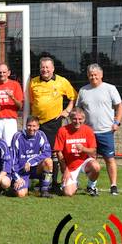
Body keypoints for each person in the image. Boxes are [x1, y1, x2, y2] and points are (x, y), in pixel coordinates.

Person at [29, 57, 76, 192]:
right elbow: (32, 102)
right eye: (42, 67)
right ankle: (42, 182)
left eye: (47, 67)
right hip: (37, 123)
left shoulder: (62, 81)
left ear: (53, 68)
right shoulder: (33, 82)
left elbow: (73, 96)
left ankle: (53, 183)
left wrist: (67, 110)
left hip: (53, 123)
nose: (44, 70)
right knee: (38, 153)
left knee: (53, 153)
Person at [76, 64, 122, 195]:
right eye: (91, 74)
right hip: (89, 132)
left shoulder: (110, 88)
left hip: (106, 131)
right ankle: (91, 186)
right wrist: (79, 126)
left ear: (101, 75)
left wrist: (117, 122)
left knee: (109, 159)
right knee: (91, 160)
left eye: (96, 74)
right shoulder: (83, 91)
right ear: (87, 76)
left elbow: (119, 107)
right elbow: (78, 110)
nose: (93, 77)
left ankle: (113, 185)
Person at [53, 108, 100, 197]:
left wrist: (83, 149)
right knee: (68, 193)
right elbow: (59, 152)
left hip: (84, 162)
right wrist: (65, 170)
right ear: (70, 119)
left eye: (80, 119)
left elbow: (93, 150)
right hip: (70, 166)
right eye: (74, 119)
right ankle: (75, 183)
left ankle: (91, 187)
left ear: (84, 119)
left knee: (96, 166)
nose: (77, 121)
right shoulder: (62, 131)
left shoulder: (88, 130)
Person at [9, 116, 53, 198]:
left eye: (34, 126)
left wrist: (30, 161)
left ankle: (44, 190)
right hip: (21, 171)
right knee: (21, 194)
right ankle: (15, 185)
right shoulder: (18, 136)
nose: (31, 128)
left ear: (38, 126)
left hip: (35, 169)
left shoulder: (41, 134)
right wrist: (17, 178)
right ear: (25, 125)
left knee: (48, 161)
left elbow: (47, 153)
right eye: (29, 125)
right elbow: (12, 159)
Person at [0, 63, 23, 145]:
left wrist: (12, 97)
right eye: (0, 72)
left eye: (4, 72)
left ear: (8, 73)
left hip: (9, 120)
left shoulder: (15, 85)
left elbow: (20, 106)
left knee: (10, 145)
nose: (2, 74)